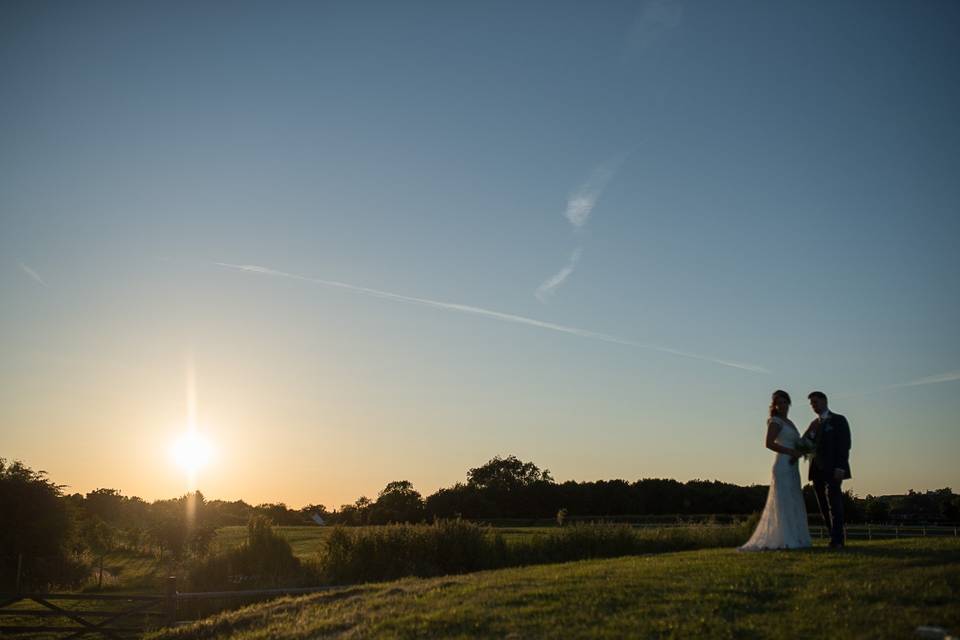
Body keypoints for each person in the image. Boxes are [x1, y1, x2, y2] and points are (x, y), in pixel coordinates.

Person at [739, 390, 812, 550]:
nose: (782, 405)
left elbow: (798, 442)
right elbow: (769, 443)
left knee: (793, 499)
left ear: (789, 403)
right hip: (783, 464)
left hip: (793, 466)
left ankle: (797, 537)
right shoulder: (775, 421)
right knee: (784, 500)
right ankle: (785, 539)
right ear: (775, 406)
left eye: (784, 402)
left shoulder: (790, 422)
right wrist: (791, 451)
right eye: (778, 403)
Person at [804, 391, 851, 548]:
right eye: (811, 403)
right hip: (816, 469)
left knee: (834, 503)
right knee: (823, 506)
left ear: (824, 401)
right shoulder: (814, 424)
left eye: (815, 402)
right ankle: (833, 537)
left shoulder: (838, 420)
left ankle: (838, 540)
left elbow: (844, 444)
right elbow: (805, 443)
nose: (813, 406)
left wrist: (840, 466)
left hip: (833, 468)